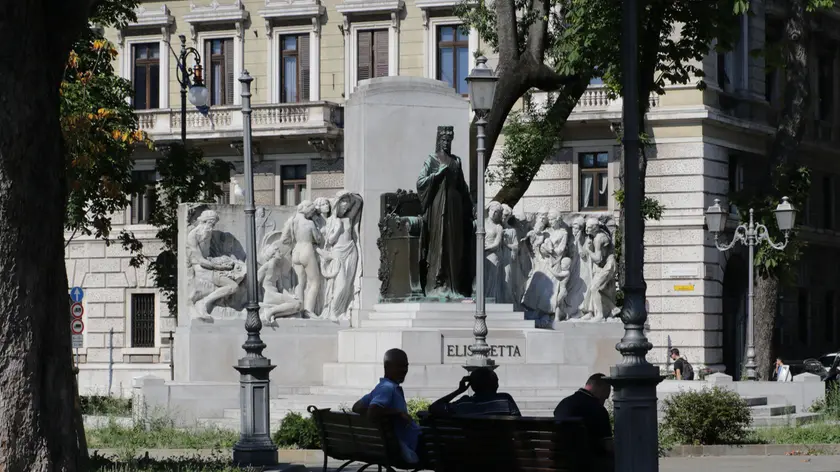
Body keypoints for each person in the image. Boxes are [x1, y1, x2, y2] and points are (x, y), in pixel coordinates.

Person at [352, 349, 421, 463]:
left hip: (396, 445)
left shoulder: (382, 387)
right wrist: (397, 412)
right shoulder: (387, 389)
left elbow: (356, 407)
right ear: (387, 366)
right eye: (399, 366)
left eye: (406, 366)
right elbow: (372, 413)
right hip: (408, 447)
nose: (404, 370)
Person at [553, 374, 613, 469]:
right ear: (601, 388)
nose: (604, 402)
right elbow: (608, 446)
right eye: (605, 397)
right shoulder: (598, 410)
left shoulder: (563, 404)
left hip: (559, 462)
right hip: (587, 464)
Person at [429, 367, 521, 417]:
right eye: (496, 381)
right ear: (493, 385)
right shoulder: (505, 400)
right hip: (502, 450)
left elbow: (433, 408)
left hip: (469, 451)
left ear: (472, 386)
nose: (498, 385)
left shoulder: (463, 404)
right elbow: (519, 424)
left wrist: (459, 391)